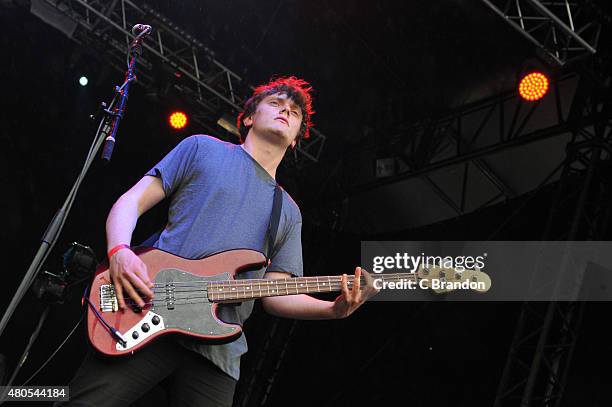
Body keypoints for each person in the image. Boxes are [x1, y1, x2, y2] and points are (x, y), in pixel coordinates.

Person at [58, 76, 379, 407]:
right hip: (147, 312)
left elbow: (277, 294)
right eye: (275, 103)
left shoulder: (288, 212)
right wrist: (119, 252)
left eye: (295, 111)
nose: (285, 109)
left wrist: (333, 309)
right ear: (249, 117)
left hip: (218, 352)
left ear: (297, 139)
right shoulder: (202, 148)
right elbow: (131, 202)